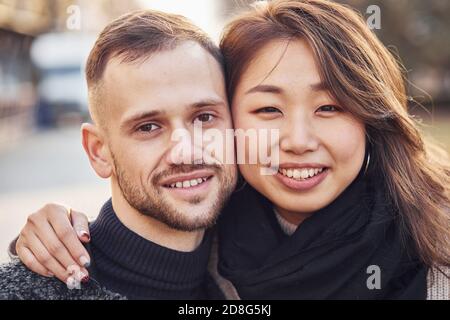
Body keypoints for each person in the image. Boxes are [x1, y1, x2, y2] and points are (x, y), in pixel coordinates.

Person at [10, 0, 450, 299]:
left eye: (331, 106)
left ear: (371, 118)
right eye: (268, 109)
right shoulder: (215, 250)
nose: (297, 141)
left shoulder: (434, 263)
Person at [0, 9, 237, 300]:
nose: (186, 151)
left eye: (204, 117)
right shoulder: (27, 292)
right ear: (98, 151)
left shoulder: (257, 265)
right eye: (148, 127)